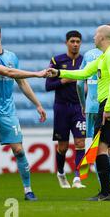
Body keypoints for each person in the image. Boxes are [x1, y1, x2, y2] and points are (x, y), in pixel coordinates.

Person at [48, 25, 110, 201]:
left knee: (101, 146)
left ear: (102, 37)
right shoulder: (105, 56)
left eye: (95, 35)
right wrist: (59, 72)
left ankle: (105, 192)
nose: (93, 38)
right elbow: (84, 72)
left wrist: (108, 108)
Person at [0, 23, 47, 202]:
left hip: (7, 112)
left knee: (19, 150)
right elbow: (7, 72)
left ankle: (28, 190)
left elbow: (21, 82)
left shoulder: (11, 56)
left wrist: (37, 104)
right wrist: (37, 74)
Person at [45, 31, 86, 189]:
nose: (75, 44)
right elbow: (48, 85)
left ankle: (77, 178)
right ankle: (61, 173)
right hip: (61, 108)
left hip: (79, 108)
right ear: (66, 43)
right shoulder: (57, 60)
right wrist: (65, 80)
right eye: (72, 41)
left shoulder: (85, 61)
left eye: (78, 41)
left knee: (80, 142)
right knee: (63, 147)